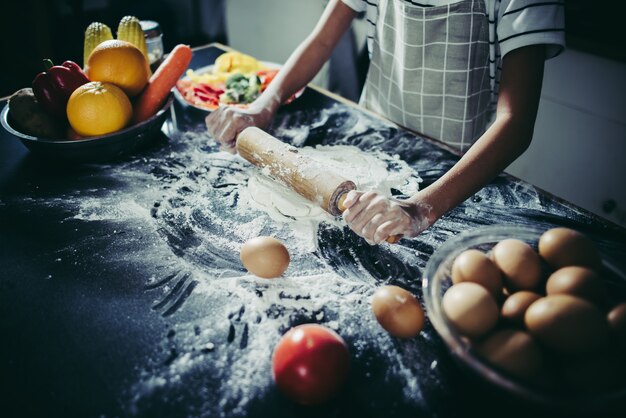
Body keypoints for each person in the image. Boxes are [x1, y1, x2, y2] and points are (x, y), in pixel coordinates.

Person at [205, 0, 565, 244]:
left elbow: (515, 122)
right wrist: (264, 105)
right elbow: (321, 42)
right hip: (368, 141)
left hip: (454, 171)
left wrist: (419, 208)